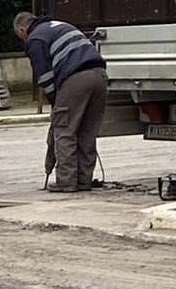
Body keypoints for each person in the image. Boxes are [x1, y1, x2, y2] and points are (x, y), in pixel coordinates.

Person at [14, 11, 109, 192]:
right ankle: (84, 180)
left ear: (22, 30)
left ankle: (66, 181)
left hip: (75, 78)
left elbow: (44, 77)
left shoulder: (35, 38)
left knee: (64, 130)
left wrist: (55, 102)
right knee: (87, 132)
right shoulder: (60, 25)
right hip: (100, 76)